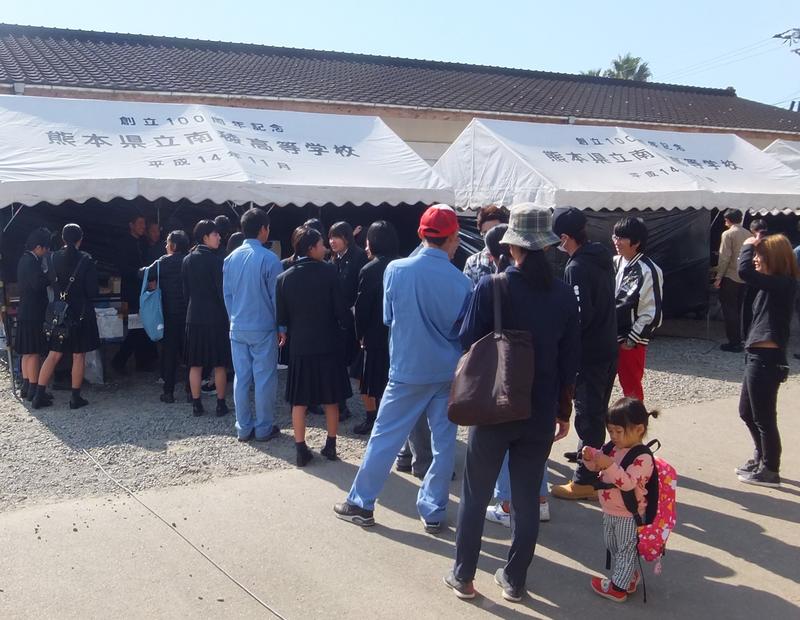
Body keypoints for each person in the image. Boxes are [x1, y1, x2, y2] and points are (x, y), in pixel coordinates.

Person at [445, 203, 579, 602]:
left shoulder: (493, 286)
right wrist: (564, 411)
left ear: (513, 246)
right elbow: (570, 359)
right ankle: (515, 580)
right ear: (547, 246)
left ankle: (464, 576)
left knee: (476, 494)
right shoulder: (563, 293)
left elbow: (467, 339)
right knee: (526, 499)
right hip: (540, 409)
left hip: (494, 405)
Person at [334, 204, 472, 534]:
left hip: (408, 368)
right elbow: (462, 331)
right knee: (444, 443)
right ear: (452, 236)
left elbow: (388, 318)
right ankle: (434, 510)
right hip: (447, 371)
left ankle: (362, 502)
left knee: (385, 437)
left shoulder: (397, 270)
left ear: (421, 233)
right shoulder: (463, 282)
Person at [550, 207, 619, 502]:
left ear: (565, 238)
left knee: (588, 416)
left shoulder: (577, 267)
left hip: (589, 353)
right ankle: (590, 461)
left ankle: (584, 480)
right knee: (597, 412)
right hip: (608, 346)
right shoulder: (601, 257)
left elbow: (580, 315)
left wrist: (563, 344)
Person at [276, 226, 351, 466]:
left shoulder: (283, 278)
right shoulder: (329, 272)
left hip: (300, 345)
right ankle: (331, 445)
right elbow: (341, 310)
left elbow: (282, 317)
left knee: (299, 400)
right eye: (321, 244)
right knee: (331, 397)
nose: (325, 248)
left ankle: (300, 449)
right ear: (311, 248)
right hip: (329, 342)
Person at [735, 234, 798, 487]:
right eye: (755, 255)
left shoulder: (785, 283)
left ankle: (771, 468)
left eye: (760, 256)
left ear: (775, 258)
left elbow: (744, 272)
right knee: (747, 412)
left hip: (767, 358)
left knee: (764, 417)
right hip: (757, 355)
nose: (756, 260)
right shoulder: (772, 285)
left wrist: (747, 246)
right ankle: (761, 457)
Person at [582, 397, 658, 603]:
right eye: (610, 431)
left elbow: (627, 483)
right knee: (613, 544)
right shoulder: (613, 448)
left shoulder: (643, 458)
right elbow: (598, 464)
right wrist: (590, 458)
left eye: (618, 431)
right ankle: (629, 576)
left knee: (625, 549)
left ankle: (618, 588)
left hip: (628, 514)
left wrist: (608, 465)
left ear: (639, 429)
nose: (613, 436)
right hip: (610, 509)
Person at [223, 208, 283, 443]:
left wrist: (233, 319)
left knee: (241, 378)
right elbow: (276, 298)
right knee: (264, 378)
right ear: (263, 230)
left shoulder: (230, 258)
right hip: (263, 326)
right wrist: (281, 327)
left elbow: (227, 296)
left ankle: (243, 427)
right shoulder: (270, 259)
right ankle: (264, 428)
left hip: (237, 325)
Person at [32, 224, 100, 410]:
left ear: (62, 238)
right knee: (78, 355)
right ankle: (75, 398)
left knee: (53, 354)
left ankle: (38, 395)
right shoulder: (86, 259)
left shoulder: (51, 258)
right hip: (80, 313)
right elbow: (92, 291)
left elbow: (47, 281)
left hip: (59, 313)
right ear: (80, 239)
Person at [352, 221, 400, 435]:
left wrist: (360, 334)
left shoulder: (369, 270)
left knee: (371, 381)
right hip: (399, 334)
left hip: (374, 334)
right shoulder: (403, 264)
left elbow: (362, 307)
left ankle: (374, 419)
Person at [612, 217, 663, 403]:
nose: (617, 242)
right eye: (615, 237)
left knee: (631, 389)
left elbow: (652, 312)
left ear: (636, 242)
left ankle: (636, 421)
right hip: (611, 334)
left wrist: (631, 340)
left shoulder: (648, 269)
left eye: (622, 238)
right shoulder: (616, 262)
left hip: (630, 338)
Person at [182, 220, 230, 417]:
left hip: (193, 315)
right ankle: (220, 404)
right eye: (215, 234)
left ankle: (196, 404)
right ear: (205, 237)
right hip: (216, 317)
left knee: (195, 363)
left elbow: (185, 292)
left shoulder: (187, 260)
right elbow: (222, 292)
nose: (219, 237)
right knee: (219, 363)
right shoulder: (216, 261)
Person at [142, 230, 190, 404]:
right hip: (189, 314)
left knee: (169, 354)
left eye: (167, 243)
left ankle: (168, 392)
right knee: (189, 354)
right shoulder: (190, 260)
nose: (166, 246)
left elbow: (143, 273)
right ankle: (191, 392)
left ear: (173, 245)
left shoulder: (162, 262)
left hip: (168, 314)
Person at [329, 221, 370, 421]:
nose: (332, 241)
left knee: (359, 367)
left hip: (355, 320)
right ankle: (342, 405)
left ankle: (371, 410)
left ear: (346, 237)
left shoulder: (359, 257)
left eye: (335, 237)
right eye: (330, 237)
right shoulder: (334, 259)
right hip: (338, 321)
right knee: (338, 365)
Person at [112, 213, 157, 374]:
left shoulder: (144, 243)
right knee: (134, 327)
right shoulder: (123, 243)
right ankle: (120, 361)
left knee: (142, 326)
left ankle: (141, 362)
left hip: (144, 292)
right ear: (131, 225)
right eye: (140, 224)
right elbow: (123, 268)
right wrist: (140, 273)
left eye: (144, 224)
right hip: (129, 293)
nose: (143, 227)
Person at [16, 228, 52, 402]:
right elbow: (37, 284)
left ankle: (26, 386)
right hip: (33, 312)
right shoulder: (32, 261)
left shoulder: (24, 259)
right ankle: (34, 388)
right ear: (38, 247)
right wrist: (49, 277)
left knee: (26, 352)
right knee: (34, 352)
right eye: (46, 248)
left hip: (25, 310)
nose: (46, 252)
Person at [715, 209, 752, 353]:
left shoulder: (728, 234)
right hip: (744, 276)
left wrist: (719, 276)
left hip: (730, 275)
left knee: (729, 309)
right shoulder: (748, 233)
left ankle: (734, 341)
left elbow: (724, 257)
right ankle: (740, 338)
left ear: (728, 220)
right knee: (738, 308)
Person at [463, 205, 510, 286]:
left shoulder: (516, 258)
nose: (491, 237)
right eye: (485, 233)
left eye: (495, 231)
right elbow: (468, 291)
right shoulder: (473, 262)